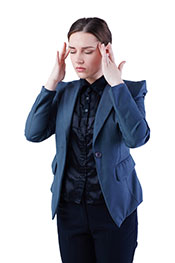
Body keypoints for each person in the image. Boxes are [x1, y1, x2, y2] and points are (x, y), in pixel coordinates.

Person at [25, 17, 150, 263]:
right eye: (72, 51)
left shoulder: (130, 91)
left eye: (87, 51)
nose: (77, 59)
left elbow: (137, 138)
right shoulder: (64, 92)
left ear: (106, 50)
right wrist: (52, 81)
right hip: (70, 209)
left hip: (113, 209)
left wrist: (117, 85)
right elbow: (33, 133)